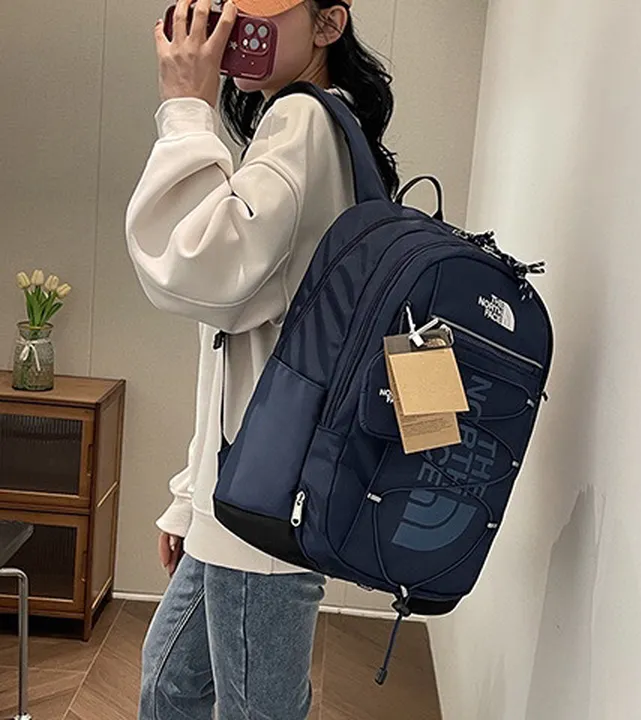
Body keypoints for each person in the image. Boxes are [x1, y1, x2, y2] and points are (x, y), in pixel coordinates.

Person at [125, 0, 398, 717]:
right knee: (170, 682)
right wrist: (191, 496)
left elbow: (198, 266)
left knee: (254, 709)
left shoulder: (303, 119)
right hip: (245, 486)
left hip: (264, 496)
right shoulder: (316, 123)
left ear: (328, 25)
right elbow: (245, 339)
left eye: (265, 11)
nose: (239, 24)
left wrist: (186, 109)